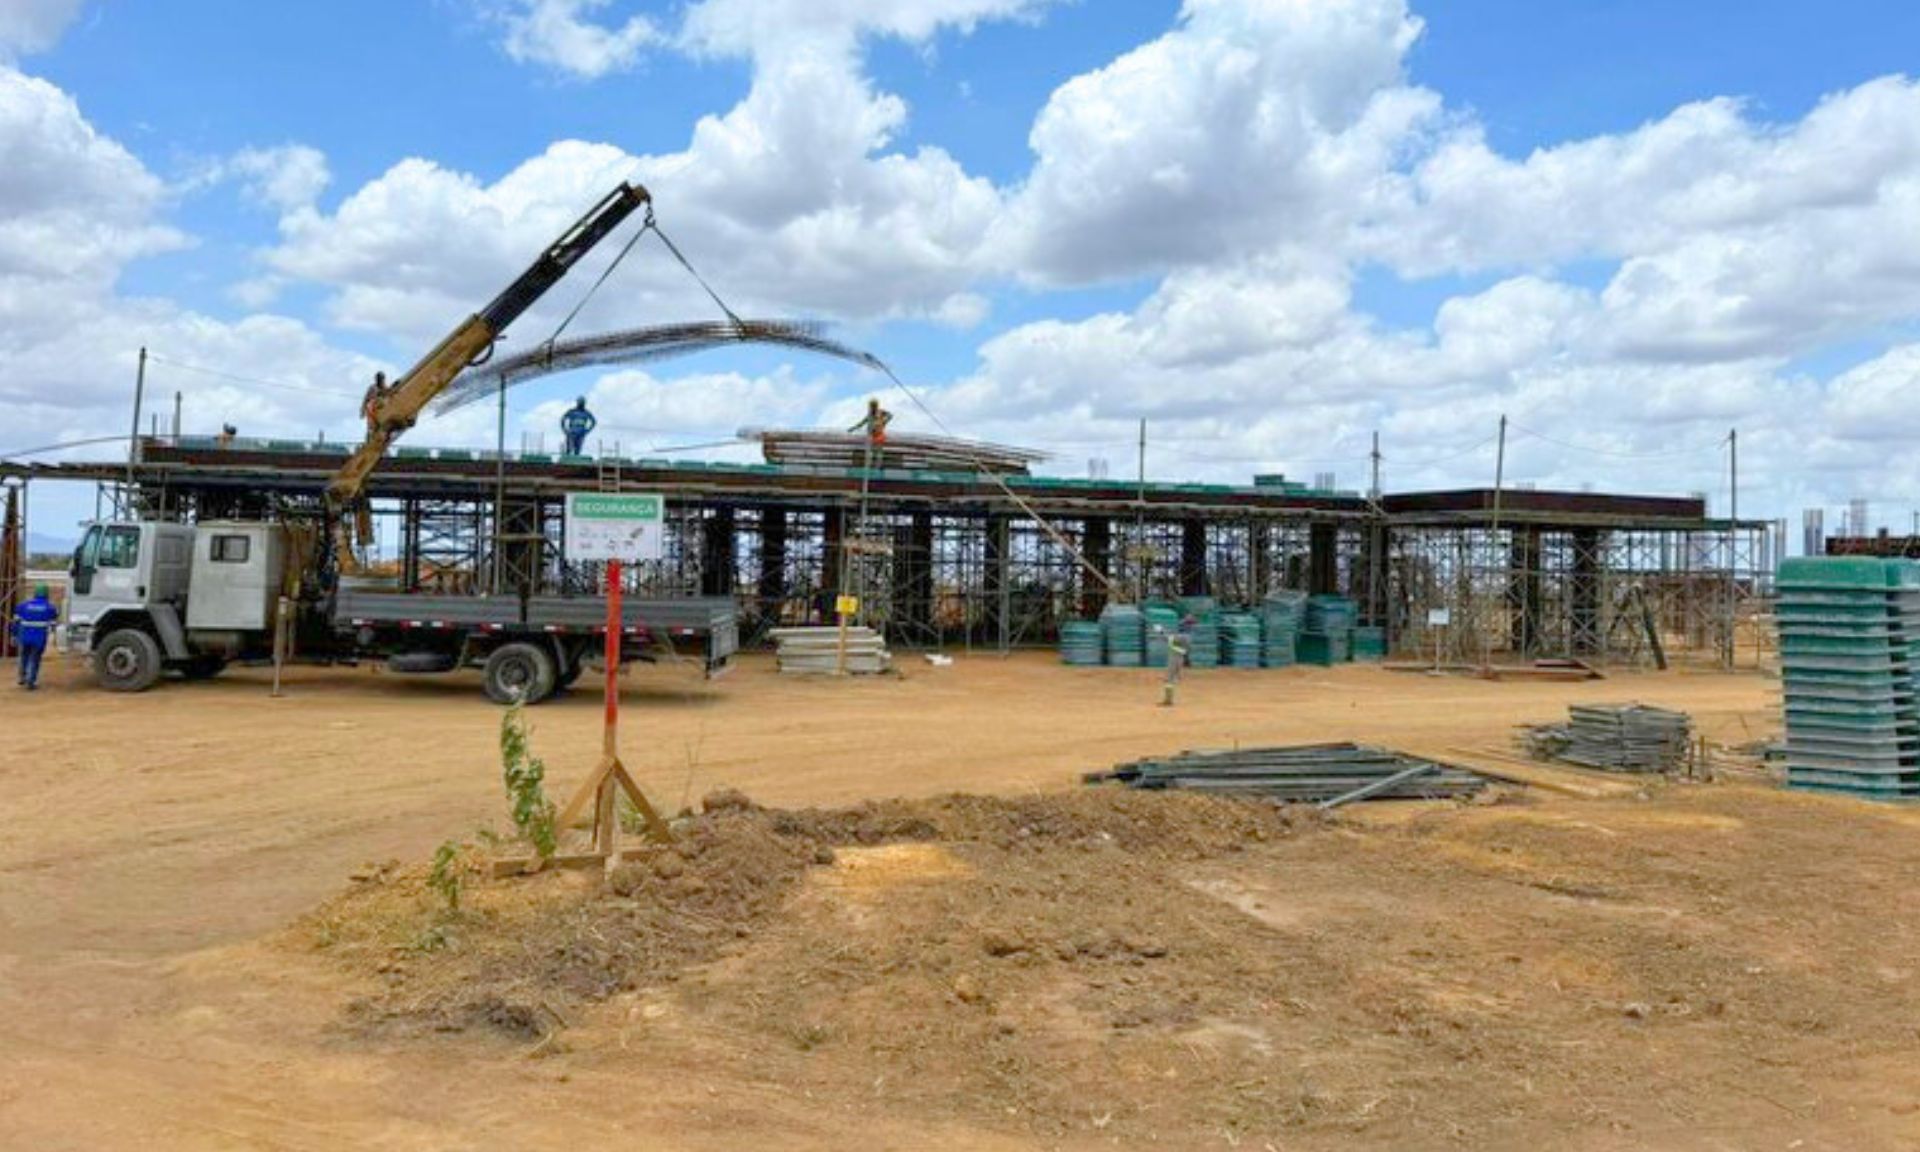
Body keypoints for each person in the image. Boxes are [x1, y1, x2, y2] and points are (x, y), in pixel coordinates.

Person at [12, 583, 57, 691]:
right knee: (35, 659)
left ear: (35, 593)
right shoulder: (50, 608)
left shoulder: (23, 606)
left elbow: (16, 622)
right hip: (39, 638)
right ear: (46, 594)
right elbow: (53, 624)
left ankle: (22, 677)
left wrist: (14, 635)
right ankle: (30, 681)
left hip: (24, 636)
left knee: (24, 656)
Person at [361, 371, 389, 441]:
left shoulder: (385, 388)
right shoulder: (372, 388)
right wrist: (362, 411)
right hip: (373, 411)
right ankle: (369, 440)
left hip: (382, 410)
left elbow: (389, 395)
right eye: (378, 378)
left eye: (381, 379)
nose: (380, 380)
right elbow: (366, 399)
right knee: (371, 427)